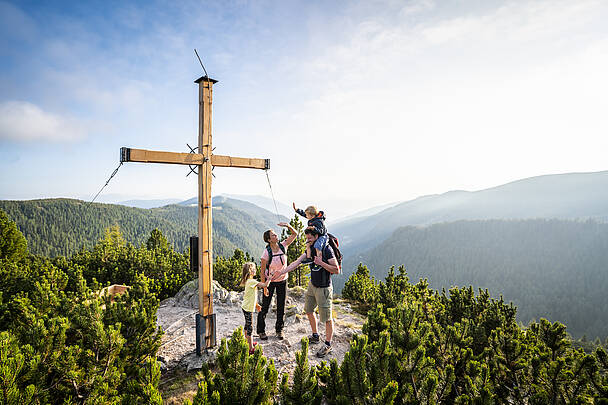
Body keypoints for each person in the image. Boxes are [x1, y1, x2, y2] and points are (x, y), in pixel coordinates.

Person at [276, 226, 340, 358]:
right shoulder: (310, 249)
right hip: (312, 285)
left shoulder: (326, 250)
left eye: (310, 238)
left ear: (317, 237)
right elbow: (297, 262)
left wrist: (321, 263)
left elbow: (336, 269)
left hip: (324, 287)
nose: (307, 240)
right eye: (306, 238)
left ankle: (328, 344)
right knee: (309, 310)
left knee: (327, 318)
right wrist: (281, 272)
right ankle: (315, 335)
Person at [257, 222, 298, 340]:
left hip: (283, 280)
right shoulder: (266, 253)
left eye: (275, 234)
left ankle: (279, 330)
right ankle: (261, 331)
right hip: (269, 282)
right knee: (265, 306)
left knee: (281, 306)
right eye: (273, 235)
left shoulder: (283, 246)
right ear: (269, 240)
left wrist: (288, 226)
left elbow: (295, 234)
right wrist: (264, 286)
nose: (276, 236)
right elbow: (262, 271)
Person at [240, 261, 273, 354]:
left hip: (246, 307)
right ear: (250, 271)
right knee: (250, 328)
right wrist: (269, 278)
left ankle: (247, 342)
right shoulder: (252, 282)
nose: (255, 270)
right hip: (247, 309)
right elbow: (265, 285)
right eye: (253, 269)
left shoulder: (249, 282)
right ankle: (250, 349)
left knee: (247, 326)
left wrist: (257, 305)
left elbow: (251, 296)